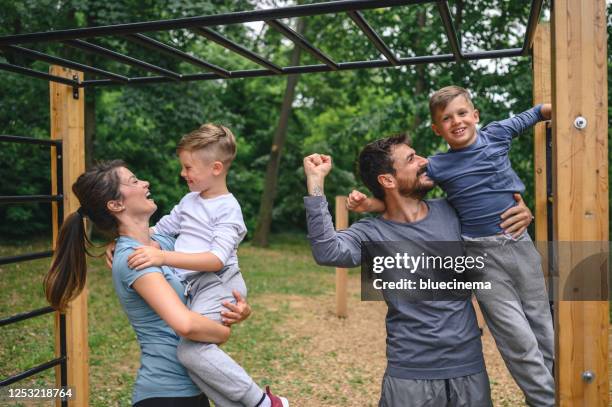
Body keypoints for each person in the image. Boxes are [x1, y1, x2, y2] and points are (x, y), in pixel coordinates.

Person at [351, 86, 554, 407]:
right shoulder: (438, 165)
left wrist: (553, 110)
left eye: (462, 113)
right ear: (437, 128)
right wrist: (372, 205)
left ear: (475, 115)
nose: (456, 121)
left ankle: (559, 387)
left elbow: (532, 115)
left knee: (543, 323)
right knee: (517, 337)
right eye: (446, 118)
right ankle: (545, 401)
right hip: (480, 254)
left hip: (518, 242)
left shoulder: (497, 134)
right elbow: (402, 188)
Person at [302, 134, 534, 407]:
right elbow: (327, 251)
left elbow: (498, 221)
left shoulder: (454, 211)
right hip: (410, 375)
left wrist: (522, 212)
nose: (425, 161)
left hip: (469, 367)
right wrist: (316, 183)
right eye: (412, 159)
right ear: (387, 180)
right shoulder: (371, 232)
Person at [44, 160, 248, 407]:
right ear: (116, 204)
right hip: (165, 395)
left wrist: (238, 310)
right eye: (134, 181)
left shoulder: (163, 245)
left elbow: (213, 270)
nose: (145, 183)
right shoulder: (133, 259)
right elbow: (186, 324)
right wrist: (223, 332)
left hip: (193, 389)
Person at [114, 124, 288, 407]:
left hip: (218, 281)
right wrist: (120, 241)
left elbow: (216, 259)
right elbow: (159, 230)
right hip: (198, 284)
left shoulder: (228, 209)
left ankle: (264, 402)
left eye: (188, 167)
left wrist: (162, 257)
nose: (183, 173)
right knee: (195, 359)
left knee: (191, 353)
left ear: (216, 168)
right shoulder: (189, 201)